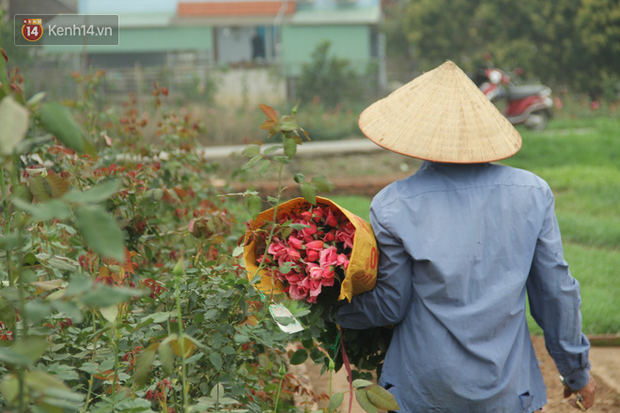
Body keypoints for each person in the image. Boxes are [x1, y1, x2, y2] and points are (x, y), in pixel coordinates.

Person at [332, 61, 596, 412]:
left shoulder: (394, 205)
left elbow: (389, 305)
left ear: (415, 133)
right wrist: (576, 372)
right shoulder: (532, 193)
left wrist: (328, 304)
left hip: (423, 391)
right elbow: (556, 293)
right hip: (506, 391)